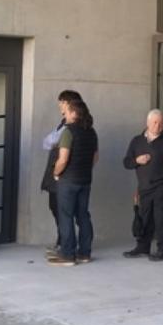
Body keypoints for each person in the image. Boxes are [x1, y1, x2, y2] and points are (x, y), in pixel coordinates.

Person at [47, 99, 99, 267]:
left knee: (66, 216)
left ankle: (68, 255)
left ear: (75, 113)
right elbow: (95, 157)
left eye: (67, 111)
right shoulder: (91, 132)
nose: (64, 114)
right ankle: (85, 253)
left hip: (68, 180)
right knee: (83, 215)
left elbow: (62, 160)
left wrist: (55, 173)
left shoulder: (68, 132)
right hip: (85, 179)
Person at [122, 109, 163, 260]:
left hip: (161, 187)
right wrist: (137, 161)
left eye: (161, 123)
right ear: (147, 123)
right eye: (154, 122)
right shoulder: (137, 141)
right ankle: (142, 247)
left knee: (161, 220)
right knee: (144, 217)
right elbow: (126, 162)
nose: (158, 126)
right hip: (144, 187)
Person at [42, 89, 80, 257]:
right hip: (57, 174)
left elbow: (51, 141)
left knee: (65, 211)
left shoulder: (71, 127)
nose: (60, 106)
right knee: (56, 208)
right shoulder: (63, 124)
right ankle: (62, 241)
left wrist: (57, 173)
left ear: (69, 104)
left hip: (63, 175)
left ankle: (67, 245)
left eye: (62, 103)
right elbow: (46, 143)